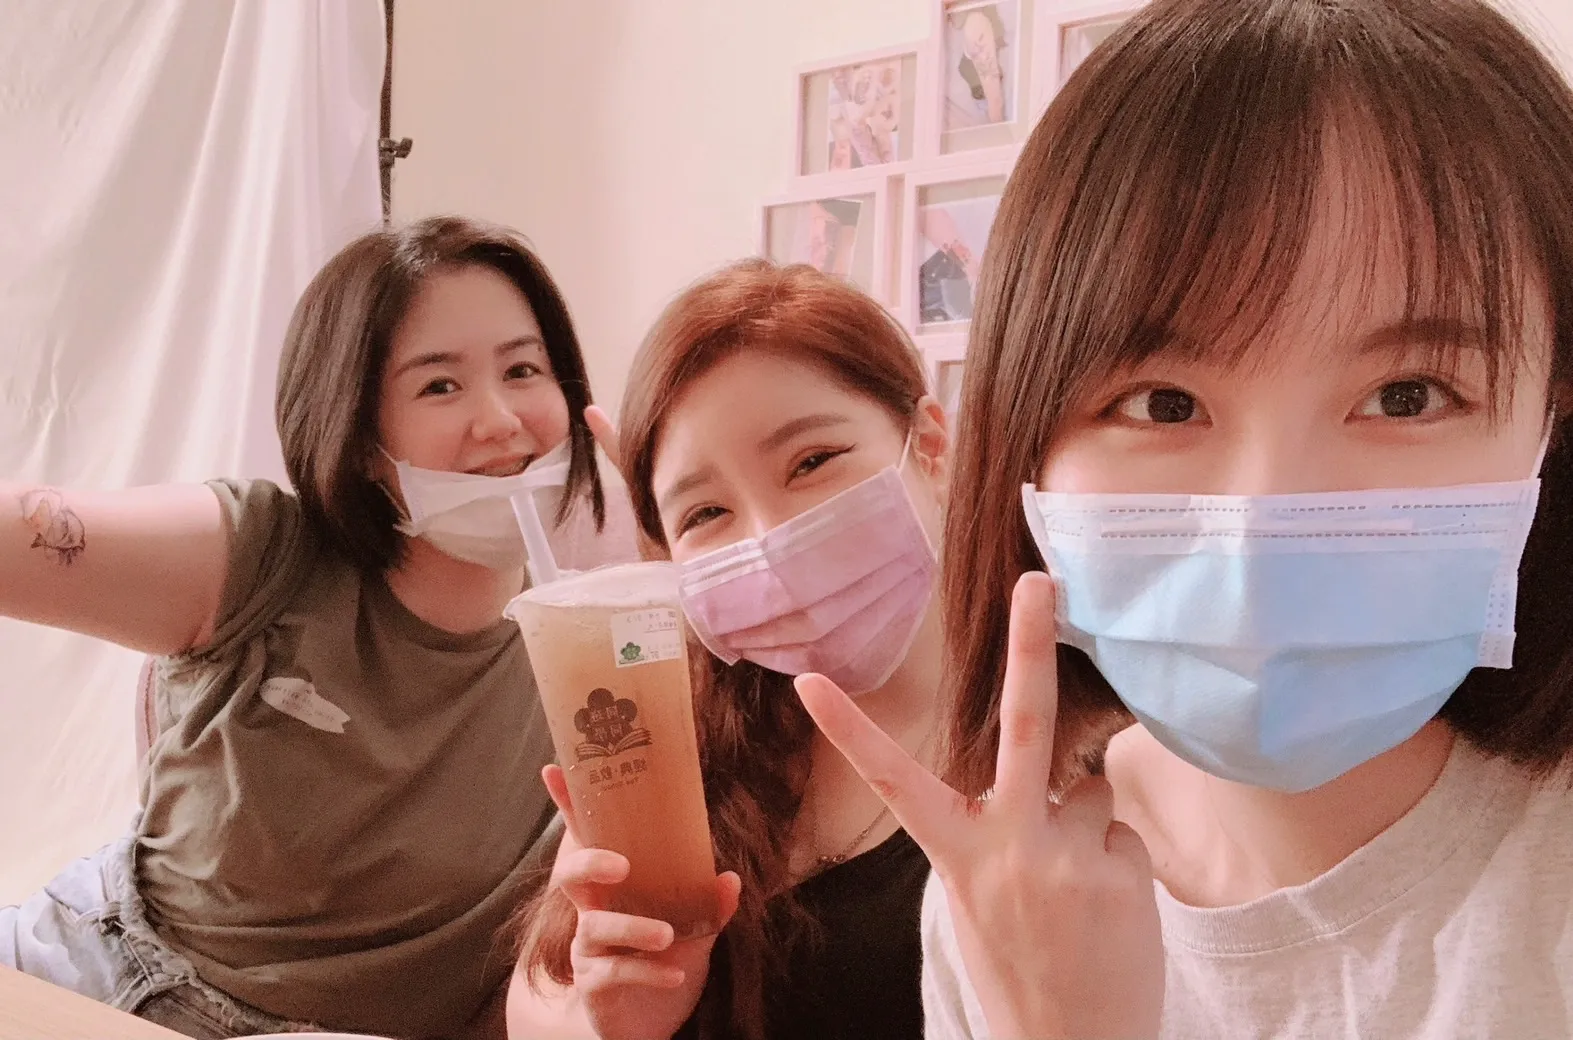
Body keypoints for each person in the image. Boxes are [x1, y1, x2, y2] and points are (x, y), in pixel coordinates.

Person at [792, 0, 1573, 1037]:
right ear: (1025, 435)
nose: (1261, 532)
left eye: (1407, 395)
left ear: (1551, 416)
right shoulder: (1005, 886)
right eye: (1164, 404)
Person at [0, 215, 639, 1038]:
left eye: (523, 370)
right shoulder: (260, 555)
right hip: (116, 989)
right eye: (439, 386)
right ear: (361, 437)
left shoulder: (602, 643)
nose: (501, 420)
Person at [508, 260, 950, 1040]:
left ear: (932, 447)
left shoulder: (1076, 735)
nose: (770, 538)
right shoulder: (669, 730)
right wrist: (609, 1018)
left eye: (811, 461)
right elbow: (540, 1003)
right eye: (705, 513)